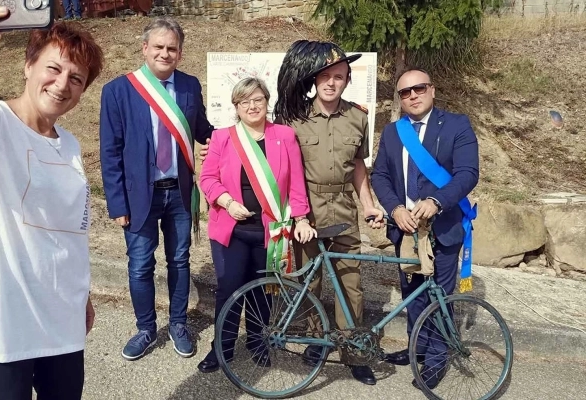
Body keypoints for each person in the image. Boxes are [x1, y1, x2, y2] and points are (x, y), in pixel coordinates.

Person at [0, 2, 104, 398]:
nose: (63, 84)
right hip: (1, 328)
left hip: (62, 323)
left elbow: (67, 231)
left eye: (77, 78)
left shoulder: (70, 145)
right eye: (54, 68)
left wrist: (82, 295)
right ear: (28, 65)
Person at [99, 16, 214, 362]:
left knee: (180, 260)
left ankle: (178, 323)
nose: (165, 53)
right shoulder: (118, 90)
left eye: (172, 48)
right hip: (138, 196)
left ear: (180, 53)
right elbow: (110, 151)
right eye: (159, 47)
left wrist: (246, 136)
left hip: (179, 192)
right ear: (145, 48)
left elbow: (203, 129)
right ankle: (146, 328)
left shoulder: (190, 86)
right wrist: (117, 203)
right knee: (139, 265)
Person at [273, 41, 384, 386]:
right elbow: (281, 170)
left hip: (344, 209)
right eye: (326, 76)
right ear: (314, 79)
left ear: (347, 81)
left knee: (350, 283)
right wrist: (294, 214)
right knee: (311, 281)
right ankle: (317, 341)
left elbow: (358, 167)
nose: (332, 83)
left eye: (339, 77)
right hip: (308, 210)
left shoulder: (357, 118)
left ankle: (353, 352)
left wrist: (368, 204)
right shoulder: (293, 119)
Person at [196, 77, 317, 373]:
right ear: (236, 107)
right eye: (245, 101)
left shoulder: (285, 135)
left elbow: (297, 183)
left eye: (258, 100)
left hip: (272, 230)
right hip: (231, 229)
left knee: (264, 290)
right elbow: (208, 179)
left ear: (267, 102)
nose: (252, 106)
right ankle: (221, 346)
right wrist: (226, 202)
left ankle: (257, 341)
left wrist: (300, 217)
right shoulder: (224, 137)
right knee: (229, 288)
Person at [371, 67, 479, 390]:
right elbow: (379, 176)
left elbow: (467, 173)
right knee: (412, 293)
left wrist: (436, 201)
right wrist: (395, 208)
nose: (413, 96)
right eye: (405, 92)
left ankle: (435, 359)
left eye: (418, 89)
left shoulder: (457, 125)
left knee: (439, 297)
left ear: (432, 90)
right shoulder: (393, 132)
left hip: (442, 228)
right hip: (405, 229)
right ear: (400, 99)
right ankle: (416, 347)